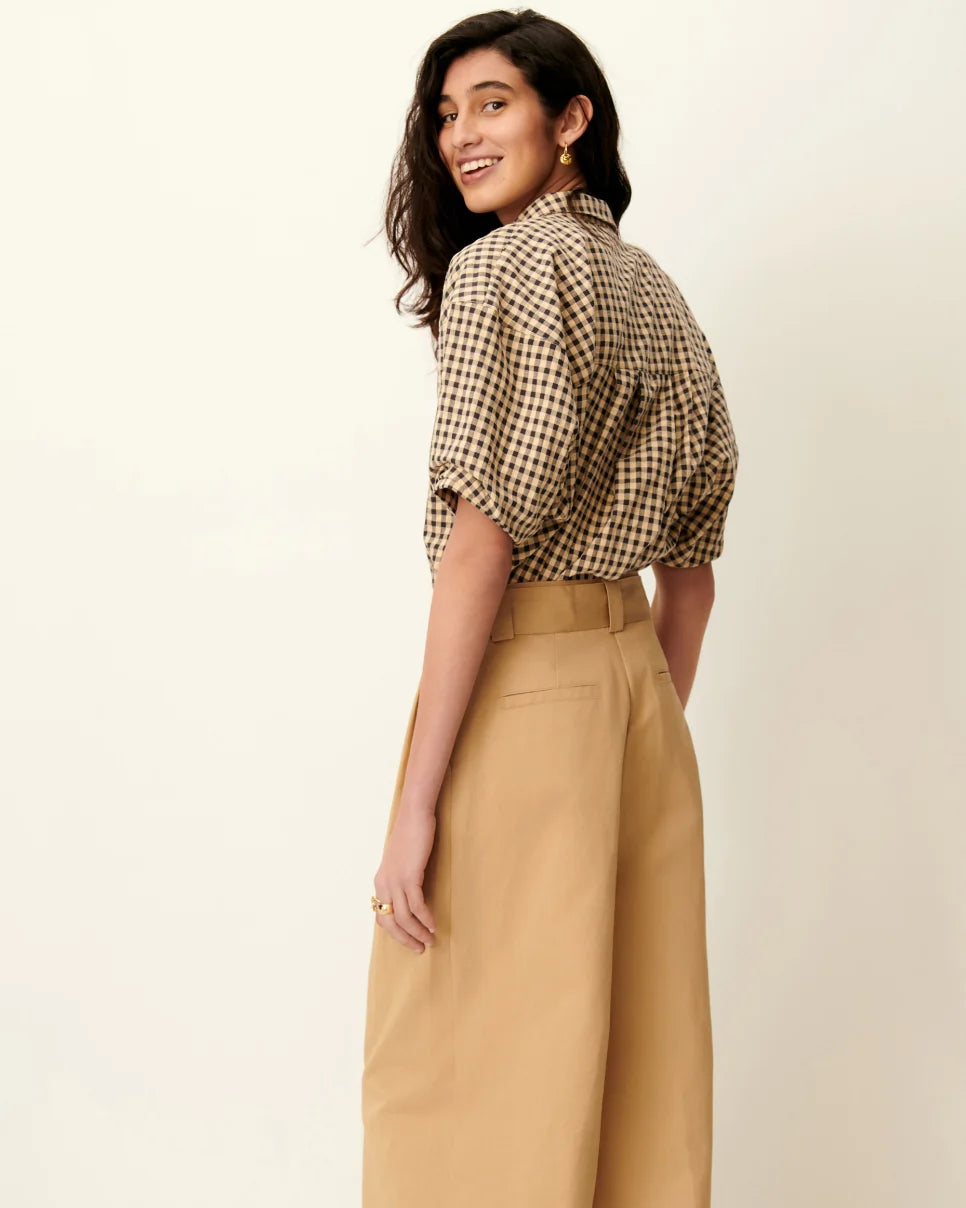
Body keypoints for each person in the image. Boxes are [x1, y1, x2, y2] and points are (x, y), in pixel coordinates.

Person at [360, 9, 739, 1207]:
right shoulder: (651, 286)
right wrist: (629, 726)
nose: (460, 136)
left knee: (468, 1063)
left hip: (524, 689)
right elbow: (694, 574)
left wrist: (414, 804)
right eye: (446, 113)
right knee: (635, 1071)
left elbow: (484, 541)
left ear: (570, 119)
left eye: (493, 103)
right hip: (638, 706)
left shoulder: (503, 269)